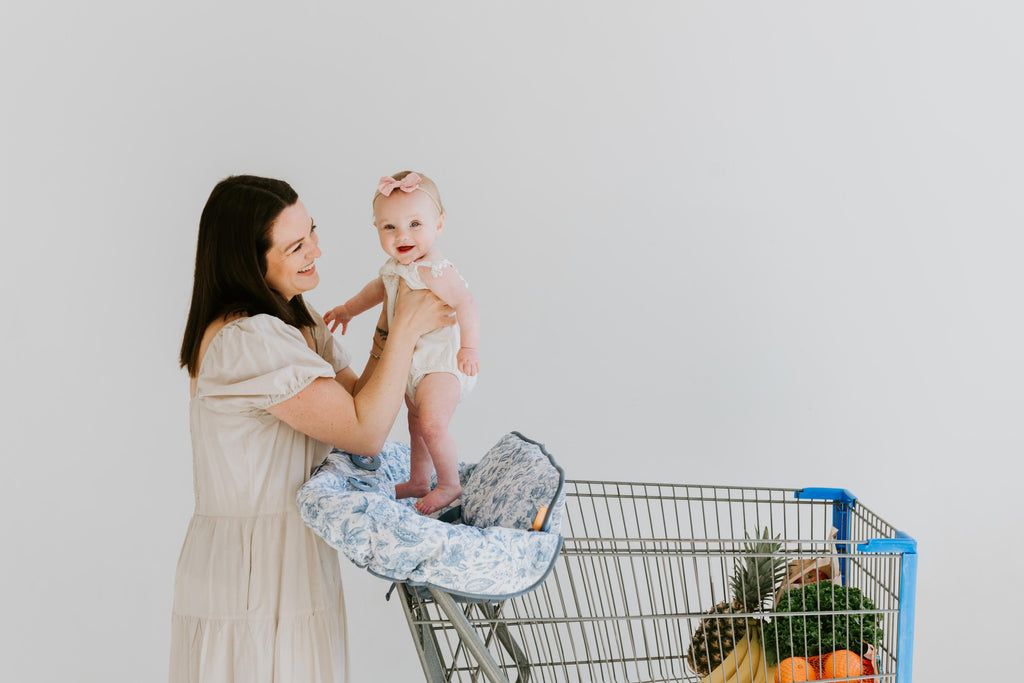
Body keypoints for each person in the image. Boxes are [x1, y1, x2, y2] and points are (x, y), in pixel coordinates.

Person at [171, 174, 454, 682]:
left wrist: (391, 319)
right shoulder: (248, 339)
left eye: (313, 233)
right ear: (248, 261)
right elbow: (365, 431)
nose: (316, 252)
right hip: (252, 568)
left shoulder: (292, 320)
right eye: (297, 246)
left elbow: (359, 398)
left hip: (290, 552)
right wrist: (407, 328)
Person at [323, 171, 479, 515]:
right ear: (377, 228)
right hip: (411, 365)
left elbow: (466, 304)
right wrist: (348, 310)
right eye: (389, 227)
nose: (402, 235)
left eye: (414, 224)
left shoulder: (437, 271)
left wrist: (469, 348)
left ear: (439, 224)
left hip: (441, 364)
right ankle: (419, 480)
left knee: (432, 424)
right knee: (415, 423)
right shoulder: (395, 268)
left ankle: (449, 484)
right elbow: (375, 291)